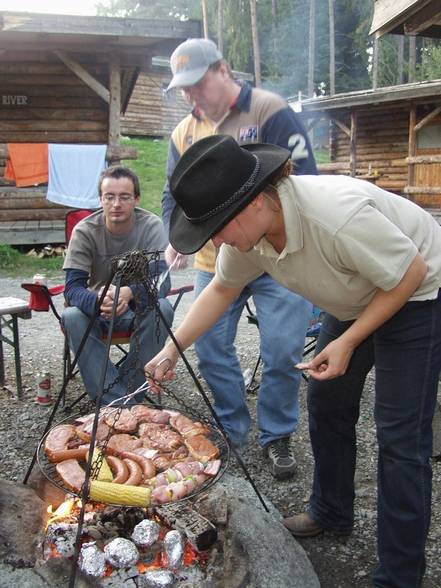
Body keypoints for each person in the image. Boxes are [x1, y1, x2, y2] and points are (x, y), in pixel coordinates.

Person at [145, 135, 441, 588]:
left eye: (219, 226)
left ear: (255, 204)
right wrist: (170, 349)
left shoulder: (334, 216)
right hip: (356, 297)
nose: (216, 239)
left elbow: (410, 272)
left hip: (417, 292)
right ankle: (331, 511)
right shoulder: (246, 237)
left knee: (400, 437)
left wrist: (349, 341)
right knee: (326, 401)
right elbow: (221, 290)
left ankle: (400, 575)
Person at [161, 37, 317, 479]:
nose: (191, 96)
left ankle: (277, 435)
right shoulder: (183, 132)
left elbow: (303, 180)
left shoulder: (268, 110)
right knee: (209, 347)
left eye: (197, 84)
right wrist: (175, 239)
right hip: (216, 260)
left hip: (275, 258)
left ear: (223, 71)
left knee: (283, 350)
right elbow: (173, 195)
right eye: (184, 89)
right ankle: (231, 426)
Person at [62, 165, 174, 405]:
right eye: (109, 197)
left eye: (124, 197)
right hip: (96, 310)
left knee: (163, 309)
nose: (116, 204)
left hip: (136, 310)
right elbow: (72, 288)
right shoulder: (85, 231)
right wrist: (99, 301)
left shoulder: (152, 227)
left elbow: (163, 282)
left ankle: (121, 401)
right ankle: (125, 406)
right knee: (71, 316)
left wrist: (129, 293)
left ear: (136, 199)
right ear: (100, 199)